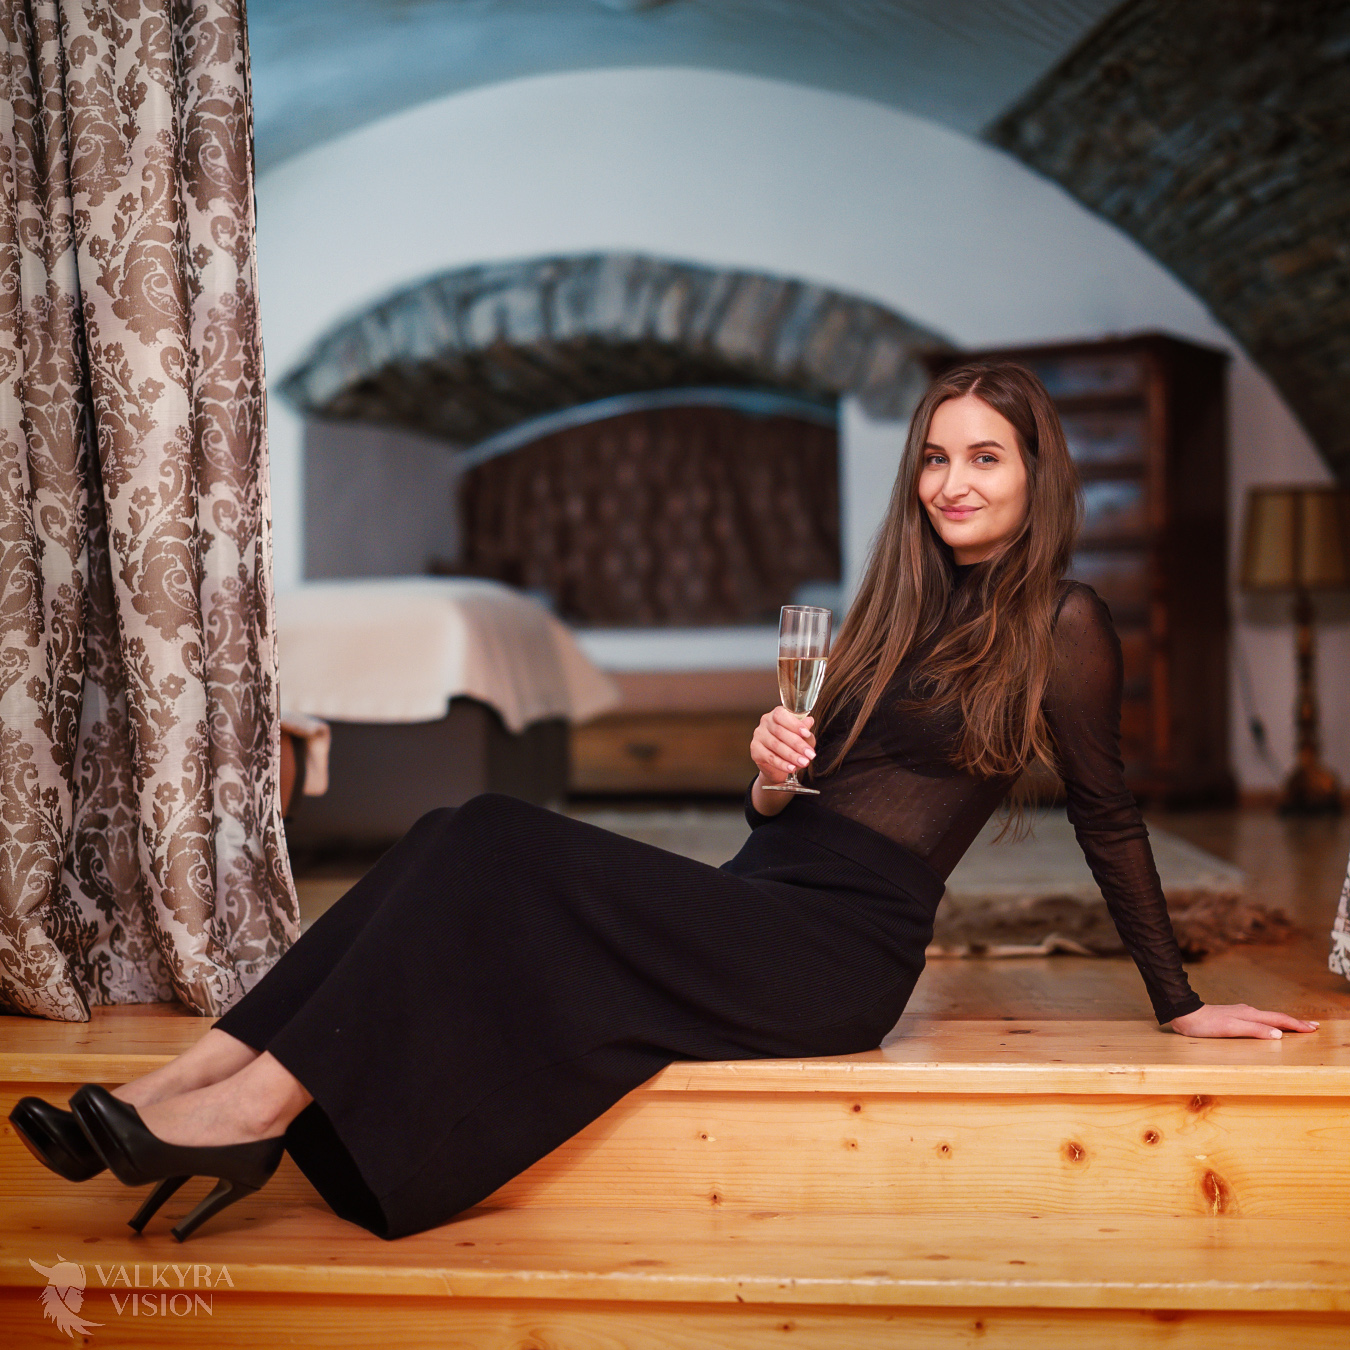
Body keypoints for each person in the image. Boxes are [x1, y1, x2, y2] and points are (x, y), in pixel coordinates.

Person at [11, 362, 1317, 1243]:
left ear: (1037, 472)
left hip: (836, 957)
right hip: (758, 902)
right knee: (447, 834)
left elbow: (1107, 816)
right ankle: (201, 1077)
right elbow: (784, 815)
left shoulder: (1062, 624)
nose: (952, 480)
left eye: (985, 455)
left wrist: (1177, 1000)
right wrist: (769, 774)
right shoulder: (893, 611)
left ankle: (251, 1111)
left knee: (491, 836)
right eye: (933, 457)